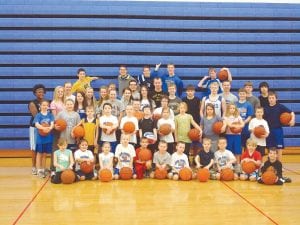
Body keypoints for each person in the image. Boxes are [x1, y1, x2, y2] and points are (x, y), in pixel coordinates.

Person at [264, 91, 295, 161]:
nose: (271, 99)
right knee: (269, 148)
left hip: (278, 130)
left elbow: (292, 112)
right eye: (270, 98)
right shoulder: (265, 108)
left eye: (273, 98)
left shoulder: (280, 106)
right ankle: (270, 164)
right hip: (269, 130)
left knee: (279, 148)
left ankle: (279, 165)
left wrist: (292, 120)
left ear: (276, 99)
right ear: (268, 99)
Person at [33, 100, 54, 178]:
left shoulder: (50, 115)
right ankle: (39, 170)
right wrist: (43, 128)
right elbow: (36, 124)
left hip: (48, 137)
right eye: (43, 105)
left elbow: (52, 124)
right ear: (40, 106)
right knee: (39, 154)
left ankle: (43, 168)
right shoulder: (38, 115)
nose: (45, 107)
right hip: (40, 138)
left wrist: (49, 128)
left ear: (48, 107)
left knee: (45, 154)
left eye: (46, 105)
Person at [28, 84, 46, 175]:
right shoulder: (32, 103)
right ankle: (34, 167)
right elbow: (36, 117)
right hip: (35, 128)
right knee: (34, 147)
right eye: (39, 91)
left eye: (42, 91)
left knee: (43, 147)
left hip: (44, 127)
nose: (41, 93)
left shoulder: (46, 102)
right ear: (35, 93)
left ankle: (42, 167)